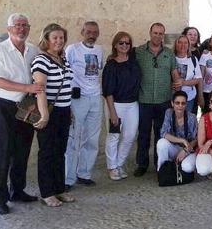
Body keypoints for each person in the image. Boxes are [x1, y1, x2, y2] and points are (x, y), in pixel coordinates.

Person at [0, 14, 42, 214]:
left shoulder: (33, 50)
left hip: (25, 107)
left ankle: (17, 191)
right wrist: (27, 87)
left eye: (24, 26)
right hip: (2, 106)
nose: (21, 29)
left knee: (22, 151)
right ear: (9, 29)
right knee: (0, 154)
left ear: (29, 28)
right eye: (17, 26)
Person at [31, 23, 75, 207]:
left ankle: (59, 189)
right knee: (47, 152)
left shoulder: (62, 59)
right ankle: (47, 192)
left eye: (61, 37)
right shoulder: (41, 60)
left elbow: (66, 87)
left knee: (60, 152)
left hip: (64, 111)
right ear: (47, 39)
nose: (59, 41)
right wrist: (44, 115)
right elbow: (39, 89)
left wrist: (69, 109)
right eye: (55, 37)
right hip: (49, 112)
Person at [134, 23, 181, 177]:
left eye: (161, 34)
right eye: (155, 33)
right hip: (144, 99)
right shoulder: (139, 52)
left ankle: (159, 163)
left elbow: (175, 75)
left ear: (163, 35)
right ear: (150, 33)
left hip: (164, 101)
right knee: (143, 134)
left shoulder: (169, 53)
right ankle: (142, 164)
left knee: (161, 134)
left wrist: (177, 95)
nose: (158, 36)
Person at [64, 21, 104, 189]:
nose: (91, 35)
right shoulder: (72, 49)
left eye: (95, 32)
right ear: (82, 32)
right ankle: (68, 178)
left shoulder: (100, 50)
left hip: (95, 97)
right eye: (88, 32)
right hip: (77, 98)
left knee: (92, 138)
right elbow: (65, 72)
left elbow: (98, 71)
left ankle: (84, 173)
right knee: (73, 138)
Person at [102, 31, 141, 181]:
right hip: (116, 105)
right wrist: (112, 112)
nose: (124, 45)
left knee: (130, 136)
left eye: (127, 43)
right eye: (121, 43)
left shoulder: (134, 60)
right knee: (114, 136)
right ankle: (112, 167)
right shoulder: (111, 65)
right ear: (115, 45)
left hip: (132, 105)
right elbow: (107, 91)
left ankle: (119, 164)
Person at [156, 91, 198, 174]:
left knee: (187, 168)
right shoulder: (169, 113)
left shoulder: (192, 117)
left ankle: (177, 166)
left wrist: (185, 151)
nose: (180, 106)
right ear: (172, 103)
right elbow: (164, 133)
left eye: (183, 103)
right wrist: (182, 140)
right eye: (177, 103)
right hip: (174, 148)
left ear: (186, 104)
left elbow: (196, 139)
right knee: (161, 143)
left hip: (188, 150)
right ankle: (162, 171)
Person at [174, 35, 203, 114]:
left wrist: (183, 83)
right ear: (176, 44)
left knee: (187, 121)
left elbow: (198, 79)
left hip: (189, 98)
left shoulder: (193, 59)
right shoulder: (171, 58)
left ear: (188, 45)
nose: (183, 45)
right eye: (180, 42)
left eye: (185, 43)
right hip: (173, 98)